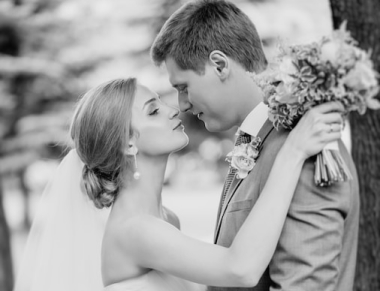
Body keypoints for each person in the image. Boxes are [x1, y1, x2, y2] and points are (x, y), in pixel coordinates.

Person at [14, 78, 344, 291]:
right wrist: (294, 152)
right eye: (153, 111)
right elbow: (240, 269)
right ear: (129, 143)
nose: (174, 110)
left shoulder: (165, 218)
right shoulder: (136, 230)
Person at [150, 0, 359, 291]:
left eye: (183, 87)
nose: (182, 104)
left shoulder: (308, 147)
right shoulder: (263, 139)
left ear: (220, 65)